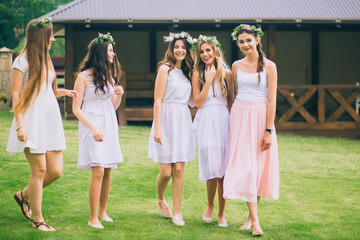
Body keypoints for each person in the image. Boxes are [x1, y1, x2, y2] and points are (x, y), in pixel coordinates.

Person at [7, 17, 78, 231]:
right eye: (50, 35)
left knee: (55, 170)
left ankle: (23, 195)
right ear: (40, 36)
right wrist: (20, 125)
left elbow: (44, 90)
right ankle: (38, 219)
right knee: (39, 170)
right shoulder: (22, 61)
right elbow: (17, 95)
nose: (53, 39)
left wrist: (63, 92)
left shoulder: (45, 58)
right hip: (31, 119)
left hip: (50, 119)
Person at [223, 24, 279, 236]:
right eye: (241, 41)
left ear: (257, 40)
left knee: (260, 167)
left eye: (248, 40)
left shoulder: (270, 66)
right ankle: (256, 223)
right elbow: (232, 94)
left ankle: (249, 218)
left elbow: (272, 100)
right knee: (246, 166)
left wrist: (268, 130)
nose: (245, 44)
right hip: (240, 116)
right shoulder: (236, 66)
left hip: (261, 116)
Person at [72, 33, 124, 229]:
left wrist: (118, 94)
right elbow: (75, 109)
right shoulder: (83, 77)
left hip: (109, 123)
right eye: (110, 50)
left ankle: (103, 211)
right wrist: (93, 127)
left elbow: (113, 106)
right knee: (98, 170)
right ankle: (92, 217)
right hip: (91, 123)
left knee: (108, 169)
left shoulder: (108, 75)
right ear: (102, 53)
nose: (113, 54)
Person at [148, 32, 195, 226]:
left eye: (183, 47)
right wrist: (157, 128)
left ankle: (177, 212)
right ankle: (160, 198)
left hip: (182, 119)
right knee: (166, 171)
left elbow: (193, 102)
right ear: (171, 48)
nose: (180, 50)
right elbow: (157, 100)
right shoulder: (164, 70)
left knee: (179, 169)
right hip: (165, 119)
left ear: (188, 50)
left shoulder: (189, 72)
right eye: (176, 46)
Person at [191, 35, 234, 227]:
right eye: (201, 52)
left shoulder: (227, 73)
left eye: (208, 50)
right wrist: (208, 80)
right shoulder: (196, 74)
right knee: (211, 166)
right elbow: (198, 103)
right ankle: (209, 205)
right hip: (206, 119)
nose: (205, 54)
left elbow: (232, 100)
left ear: (215, 51)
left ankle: (222, 213)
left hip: (223, 119)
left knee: (223, 168)